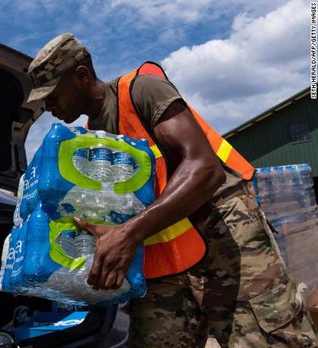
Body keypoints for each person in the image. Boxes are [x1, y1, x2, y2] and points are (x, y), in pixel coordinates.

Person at [26, 33, 318, 347]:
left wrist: (127, 234)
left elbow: (205, 170)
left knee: (264, 338)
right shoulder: (89, 139)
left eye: (52, 94)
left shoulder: (141, 89)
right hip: (160, 250)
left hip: (222, 229)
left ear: (81, 76)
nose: (48, 106)